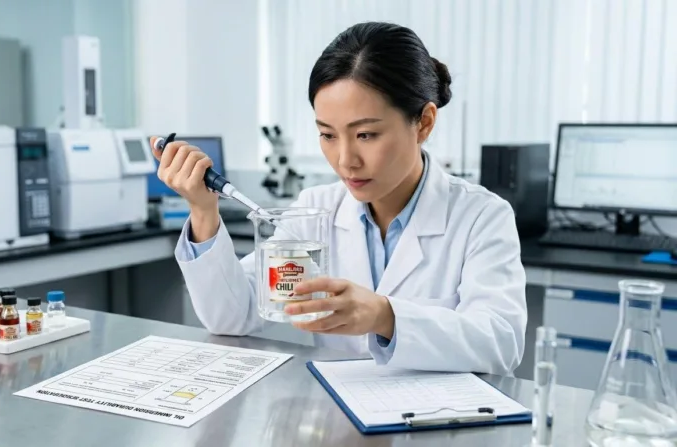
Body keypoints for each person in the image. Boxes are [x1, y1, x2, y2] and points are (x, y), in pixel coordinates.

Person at [149, 22, 527, 375]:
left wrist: (385, 316)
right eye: (328, 135)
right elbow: (232, 316)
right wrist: (203, 209)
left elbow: (501, 342)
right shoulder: (317, 210)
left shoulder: (481, 216)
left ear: (424, 123)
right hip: (338, 422)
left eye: (365, 135)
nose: (345, 160)